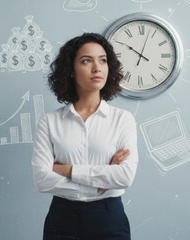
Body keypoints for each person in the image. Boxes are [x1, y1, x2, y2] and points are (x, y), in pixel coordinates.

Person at [31, 32, 138, 240]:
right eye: (86, 61)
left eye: (103, 60)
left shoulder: (123, 119)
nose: (97, 68)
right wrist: (99, 184)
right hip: (62, 217)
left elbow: (125, 176)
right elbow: (42, 179)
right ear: (71, 70)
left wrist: (67, 170)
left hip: (109, 217)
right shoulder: (50, 121)